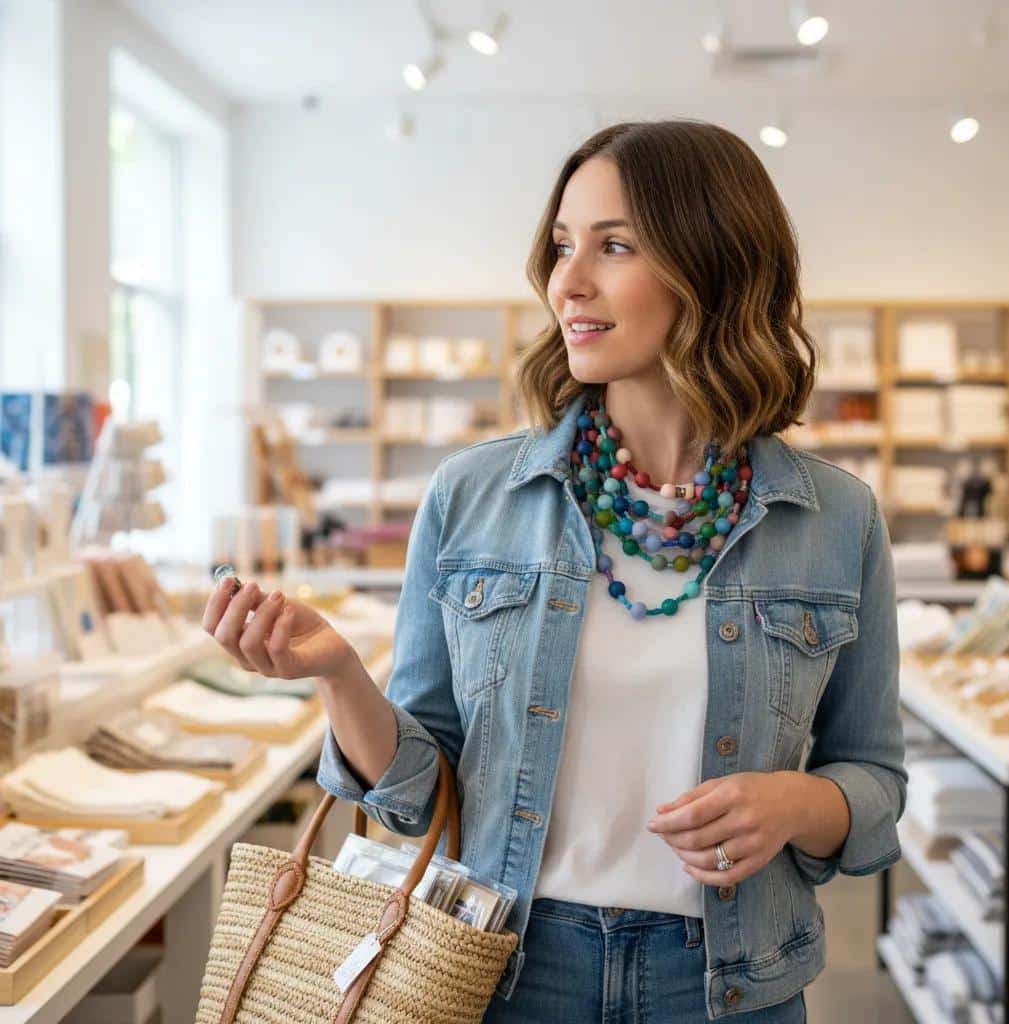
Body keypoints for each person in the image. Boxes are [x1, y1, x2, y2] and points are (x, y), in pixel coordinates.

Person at [202, 119, 907, 1022]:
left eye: (614, 246)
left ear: (717, 265)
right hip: (507, 968)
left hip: (731, 985)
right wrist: (340, 676)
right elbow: (424, 794)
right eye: (563, 246)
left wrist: (799, 802)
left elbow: (875, 780)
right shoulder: (475, 496)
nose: (568, 281)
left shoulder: (835, 518)